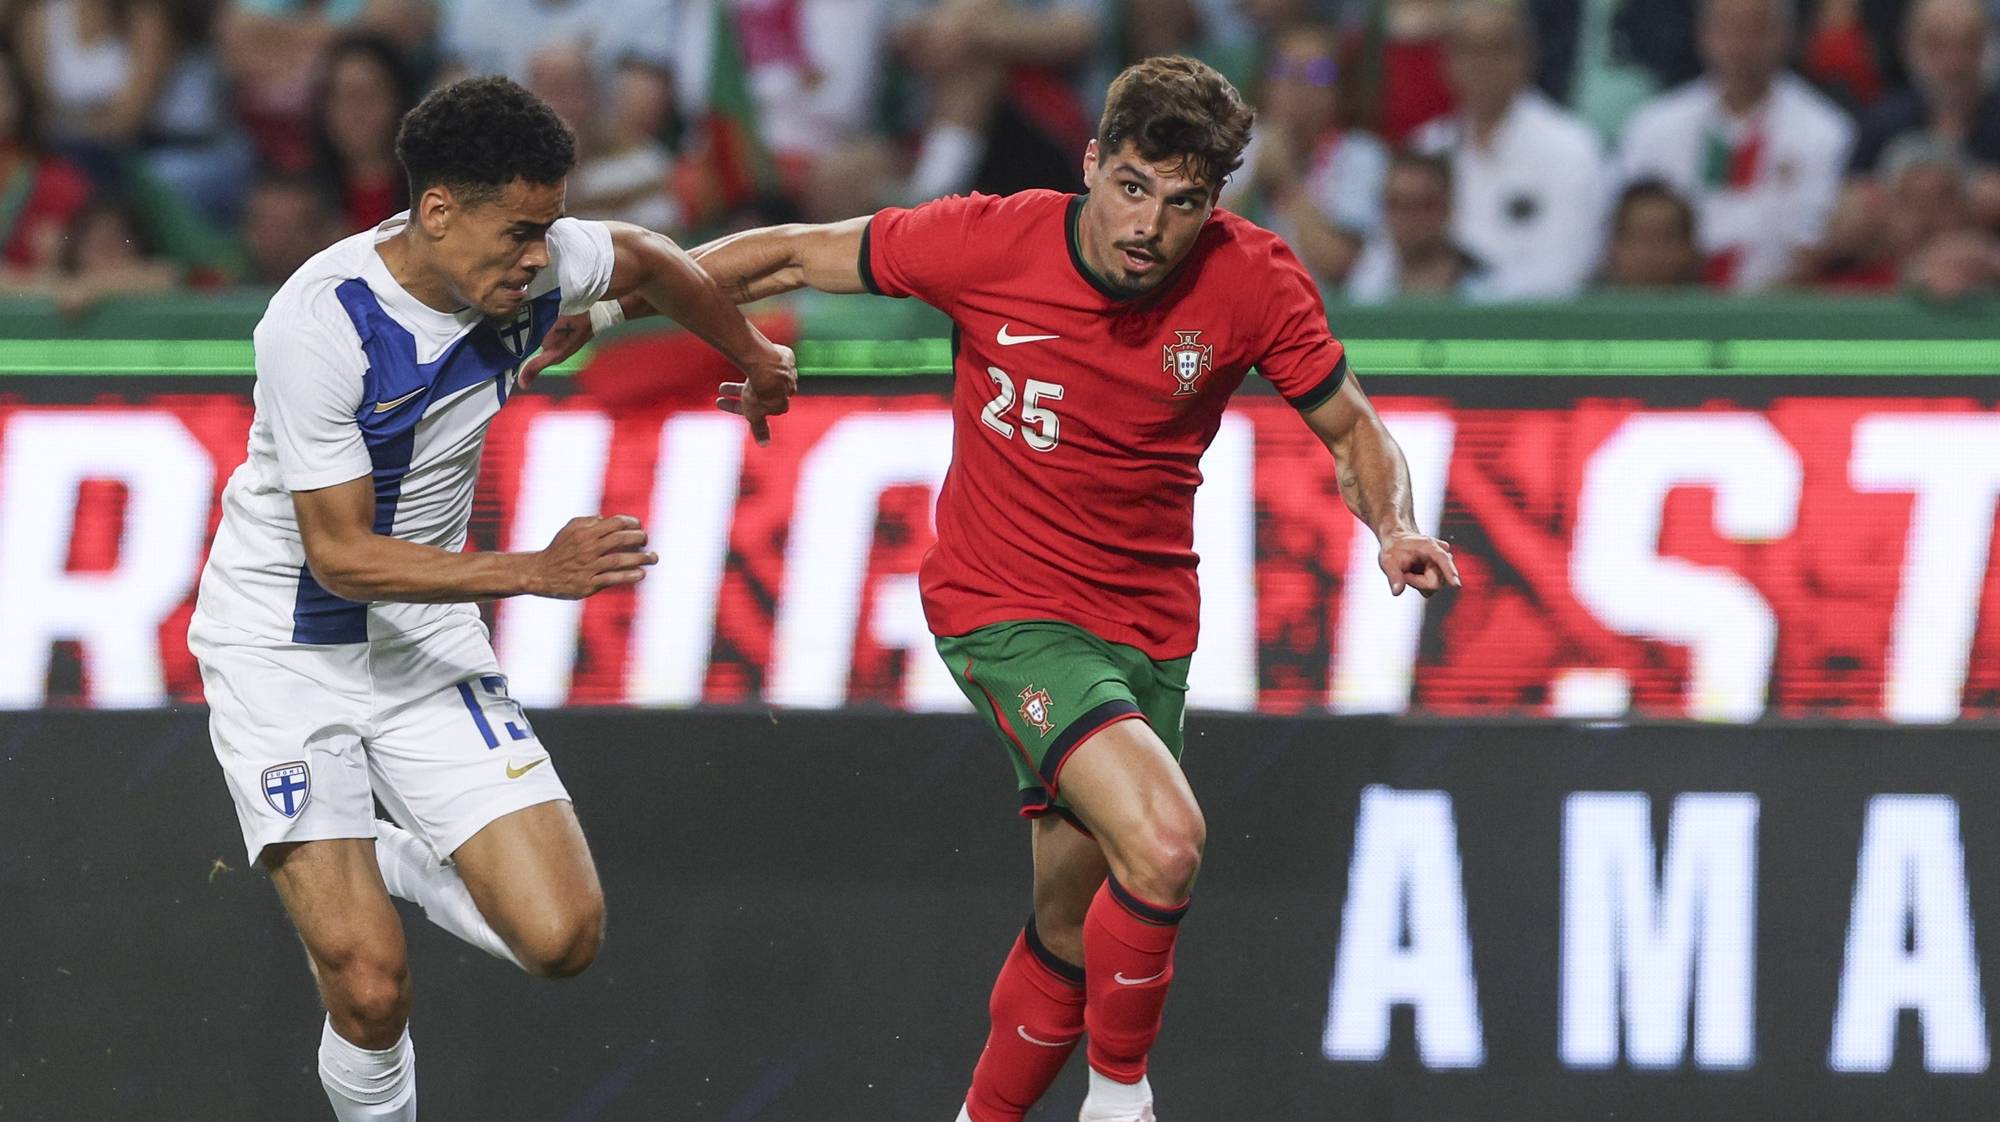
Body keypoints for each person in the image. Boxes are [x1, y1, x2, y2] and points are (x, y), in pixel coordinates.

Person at [531, 54, 1458, 1122]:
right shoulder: (987, 239)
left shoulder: (1252, 279)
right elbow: (785, 253)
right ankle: (1121, 1098)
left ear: (1215, 202)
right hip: (1002, 604)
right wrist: (607, 311)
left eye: (1183, 202)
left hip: (1148, 625)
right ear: (1092, 163)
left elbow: (1353, 429)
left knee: (1074, 927)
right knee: (1164, 843)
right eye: (1131, 186)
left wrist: (1394, 525)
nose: (1149, 225)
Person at [185, 75, 795, 1122]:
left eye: (549, 229)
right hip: (282, 648)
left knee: (562, 939)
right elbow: (339, 558)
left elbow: (651, 258)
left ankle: (393, 858)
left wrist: (751, 356)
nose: (538, 255)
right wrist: (534, 570)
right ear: (436, 212)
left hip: (419, 635)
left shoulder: (536, 262)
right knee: (369, 987)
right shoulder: (319, 324)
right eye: (520, 231)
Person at [1617, 0, 1856, 289]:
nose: (1741, 45)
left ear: (1787, 34)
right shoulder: (1653, 128)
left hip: (1776, 316)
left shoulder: (1826, 132)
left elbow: (1815, 242)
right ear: (1702, 33)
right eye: (1728, 28)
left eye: (1757, 29)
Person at [1412, 0, 1609, 299]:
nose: (1481, 64)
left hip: (1532, 336)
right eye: (1468, 50)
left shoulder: (1572, 150)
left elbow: (1568, 272)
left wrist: (1466, 295)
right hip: (1431, 329)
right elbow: (1379, 269)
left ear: (1526, 56)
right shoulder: (1426, 147)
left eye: (1496, 49)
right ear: (1447, 61)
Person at [1347, 150, 1494, 301]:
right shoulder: (1365, 286)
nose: (1405, 217)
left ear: (1447, 208)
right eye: (1395, 204)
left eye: (1420, 204)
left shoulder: (1490, 290)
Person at [1600, 178, 1704, 287]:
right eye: (1640, 238)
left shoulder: (1714, 297)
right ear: (1615, 244)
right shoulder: (1586, 298)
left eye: (1666, 239)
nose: (1653, 252)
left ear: (1689, 248)